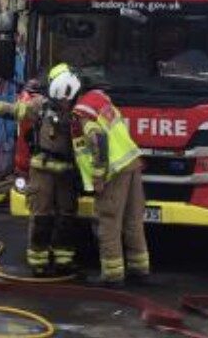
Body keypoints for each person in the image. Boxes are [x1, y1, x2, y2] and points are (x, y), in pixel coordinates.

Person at [0, 65, 81, 276]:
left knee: (66, 218)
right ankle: (38, 262)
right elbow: (14, 110)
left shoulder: (79, 110)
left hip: (67, 174)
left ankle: (63, 261)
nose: (65, 101)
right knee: (41, 216)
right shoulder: (39, 106)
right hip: (42, 171)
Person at [71, 80, 151, 285]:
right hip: (132, 162)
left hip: (114, 170)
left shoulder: (82, 112)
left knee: (108, 220)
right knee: (133, 219)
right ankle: (139, 269)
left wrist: (98, 176)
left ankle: (113, 275)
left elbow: (99, 141)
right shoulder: (99, 99)